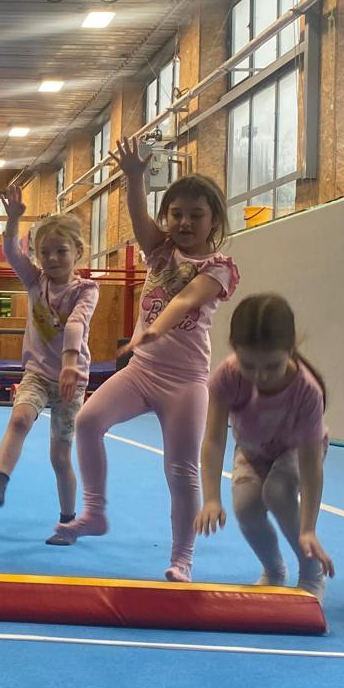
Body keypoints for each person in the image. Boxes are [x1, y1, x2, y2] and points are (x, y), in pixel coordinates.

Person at [51, 138, 239, 583]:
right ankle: (95, 513)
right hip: (142, 371)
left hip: (186, 381)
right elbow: (138, 218)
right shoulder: (160, 251)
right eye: (176, 213)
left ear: (214, 221)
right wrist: (134, 178)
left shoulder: (219, 266)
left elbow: (187, 298)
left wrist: (155, 328)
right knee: (88, 421)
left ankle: (182, 558)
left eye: (196, 215)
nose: (184, 222)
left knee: (181, 469)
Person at [194, 294, 335, 597]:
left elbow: (311, 464)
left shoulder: (306, 391)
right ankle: (273, 570)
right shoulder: (226, 378)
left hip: (295, 449)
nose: (260, 376)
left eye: (272, 366)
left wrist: (308, 528)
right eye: (248, 365)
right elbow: (214, 440)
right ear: (233, 348)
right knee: (245, 506)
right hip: (253, 450)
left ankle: (311, 573)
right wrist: (211, 498)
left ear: (291, 349)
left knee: (277, 492)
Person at [0, 192, 98, 518]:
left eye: (61, 251)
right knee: (19, 420)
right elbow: (11, 253)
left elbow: (76, 324)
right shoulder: (34, 281)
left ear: (77, 252)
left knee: (60, 457)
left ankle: (67, 518)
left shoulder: (86, 290)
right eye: (45, 252)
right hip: (38, 374)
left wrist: (70, 365)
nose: (53, 258)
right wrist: (13, 219)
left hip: (71, 380)